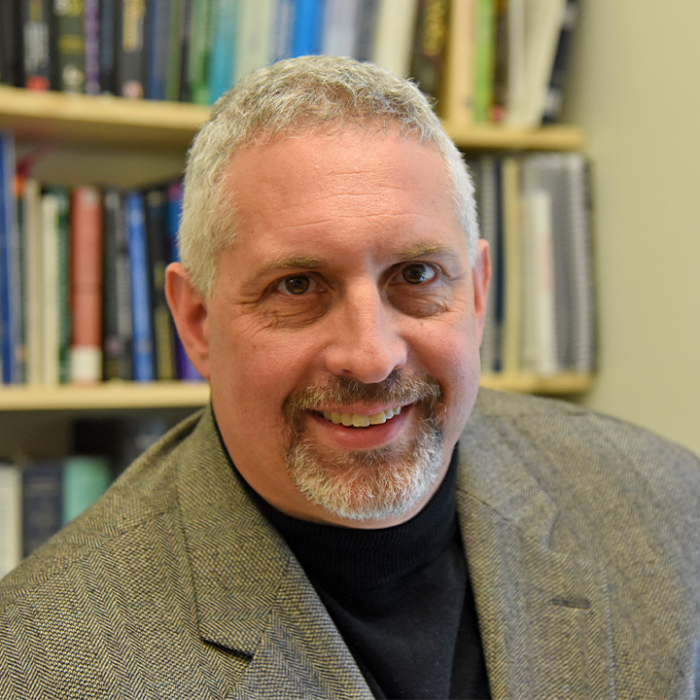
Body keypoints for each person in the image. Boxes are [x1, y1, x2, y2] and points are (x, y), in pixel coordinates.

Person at [1, 56, 699, 700]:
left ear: (479, 293)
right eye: (297, 284)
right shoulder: (43, 664)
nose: (371, 358)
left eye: (417, 275)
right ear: (196, 321)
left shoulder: (667, 512)